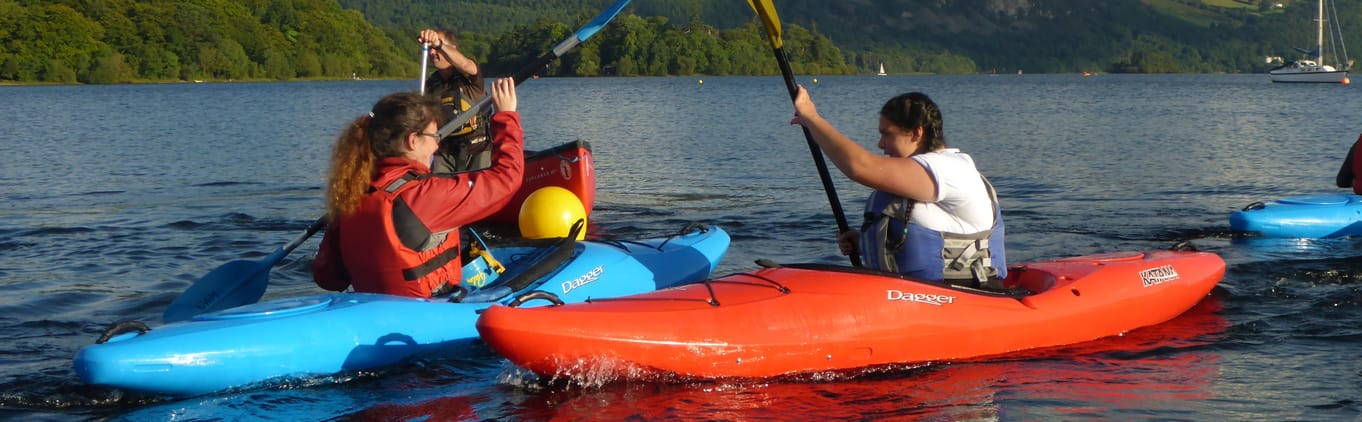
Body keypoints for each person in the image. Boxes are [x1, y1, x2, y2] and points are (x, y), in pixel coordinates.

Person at [311, 79, 524, 298]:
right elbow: (507, 178)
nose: (437, 145)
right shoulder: (424, 195)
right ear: (413, 141)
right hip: (428, 316)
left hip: (374, 315)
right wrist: (505, 117)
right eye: (434, 136)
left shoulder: (352, 195)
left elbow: (328, 278)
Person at [788, 86, 1007, 287]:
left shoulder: (949, 168)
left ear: (916, 133)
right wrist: (866, 242)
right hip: (918, 295)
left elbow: (860, 167)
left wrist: (812, 117)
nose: (880, 144)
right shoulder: (924, 174)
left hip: (965, 294)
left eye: (887, 134)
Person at [419, 28, 492, 173]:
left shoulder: (469, 74)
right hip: (445, 151)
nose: (433, 52)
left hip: (477, 148)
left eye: (436, 49)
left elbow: (465, 65)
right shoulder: (432, 83)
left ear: (451, 49)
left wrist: (437, 43)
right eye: (431, 48)